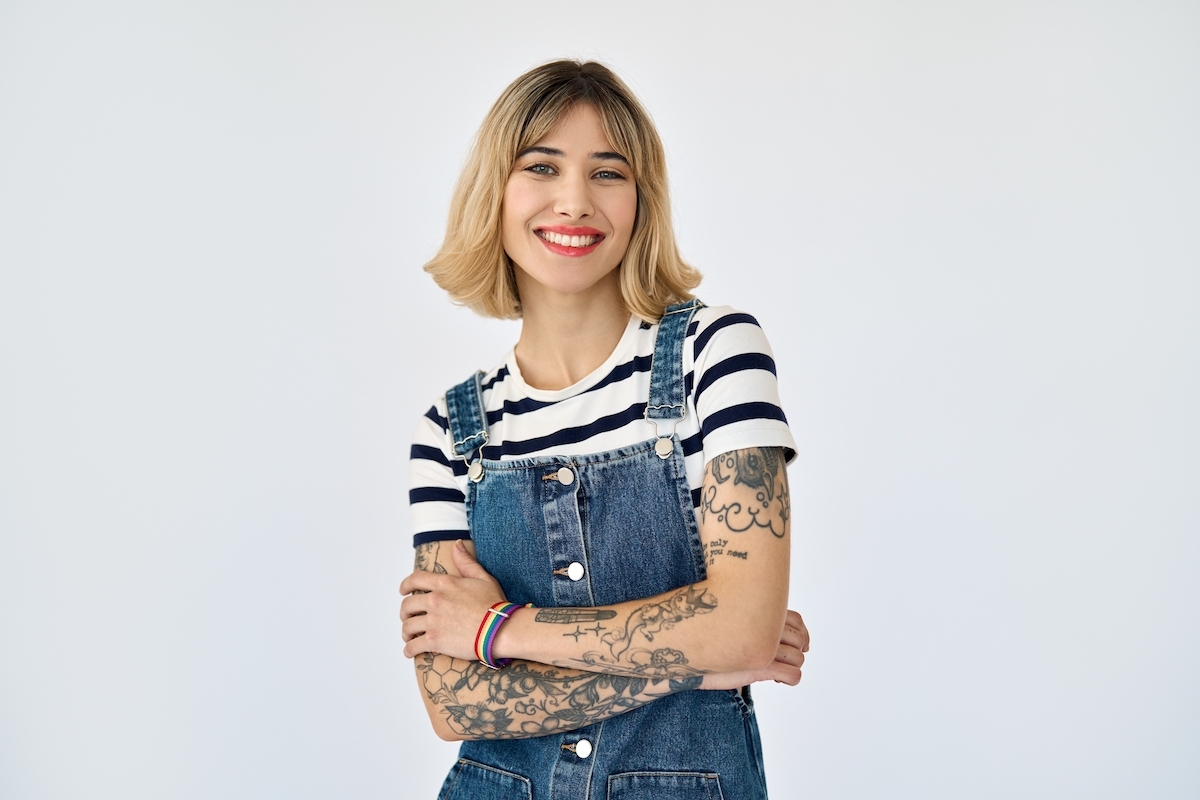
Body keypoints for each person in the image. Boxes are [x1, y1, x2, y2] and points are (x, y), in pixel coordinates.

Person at [399, 60, 810, 800]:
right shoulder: (450, 433)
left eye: (608, 173)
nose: (574, 201)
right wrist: (705, 658)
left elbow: (746, 628)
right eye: (542, 166)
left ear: (641, 201)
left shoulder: (714, 355)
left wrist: (499, 632)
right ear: (494, 191)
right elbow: (453, 704)